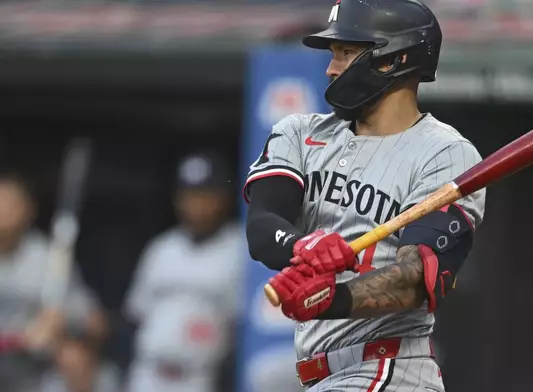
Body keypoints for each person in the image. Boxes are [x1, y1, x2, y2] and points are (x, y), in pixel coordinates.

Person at [243, 1, 486, 391]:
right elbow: (262, 223)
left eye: (346, 52)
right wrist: (302, 246)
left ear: (392, 59)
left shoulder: (446, 153)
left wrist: (330, 298)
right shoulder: (300, 133)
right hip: (318, 374)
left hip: (389, 367)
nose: (331, 68)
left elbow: (415, 281)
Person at [123, 151, 243, 392]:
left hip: (200, 377)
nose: (195, 204)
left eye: (204, 195)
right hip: (149, 372)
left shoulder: (241, 249)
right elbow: (135, 315)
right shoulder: (161, 248)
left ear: (223, 198)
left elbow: (242, 324)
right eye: (188, 195)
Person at [0, 170, 109, 392]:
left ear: (29, 210)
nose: (2, 210)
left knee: (75, 358)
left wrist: (62, 321)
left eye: (10, 203)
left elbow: (97, 323)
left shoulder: (51, 259)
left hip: (29, 367)